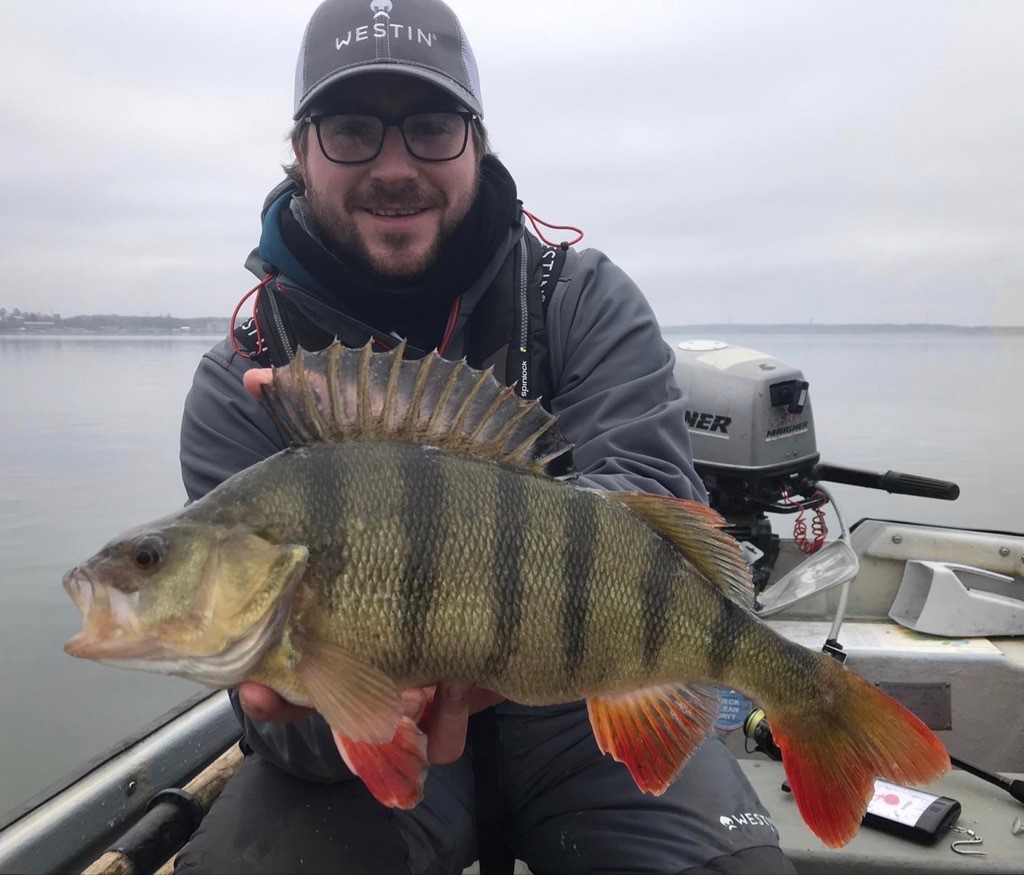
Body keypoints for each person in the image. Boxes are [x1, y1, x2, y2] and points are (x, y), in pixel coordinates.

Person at [175, 1, 797, 873]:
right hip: (366, 755)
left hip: (594, 705)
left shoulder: (583, 302)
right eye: (352, 129)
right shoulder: (240, 377)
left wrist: (490, 610)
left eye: (431, 126)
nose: (395, 167)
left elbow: (650, 514)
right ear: (301, 146)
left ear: (477, 140)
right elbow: (279, 730)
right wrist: (330, 705)